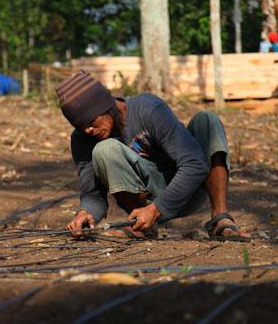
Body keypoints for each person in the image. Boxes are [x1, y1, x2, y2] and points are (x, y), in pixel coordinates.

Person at [56, 70, 247, 239]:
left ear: (104, 105)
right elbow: (93, 194)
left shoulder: (147, 108)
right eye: (81, 126)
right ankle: (141, 226)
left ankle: (220, 219)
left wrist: (156, 209)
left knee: (207, 120)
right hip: (145, 202)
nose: (88, 130)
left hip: (189, 189)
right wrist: (85, 212)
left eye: (90, 121)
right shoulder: (83, 139)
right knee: (105, 149)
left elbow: (195, 163)